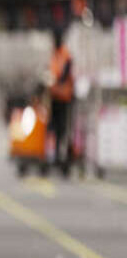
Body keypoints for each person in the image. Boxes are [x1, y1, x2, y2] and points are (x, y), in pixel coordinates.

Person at [49, 27, 74, 171]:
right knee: (55, 126)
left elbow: (65, 72)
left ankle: (63, 154)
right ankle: (56, 153)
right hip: (55, 95)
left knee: (63, 126)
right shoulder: (55, 54)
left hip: (64, 96)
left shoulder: (65, 54)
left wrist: (57, 80)